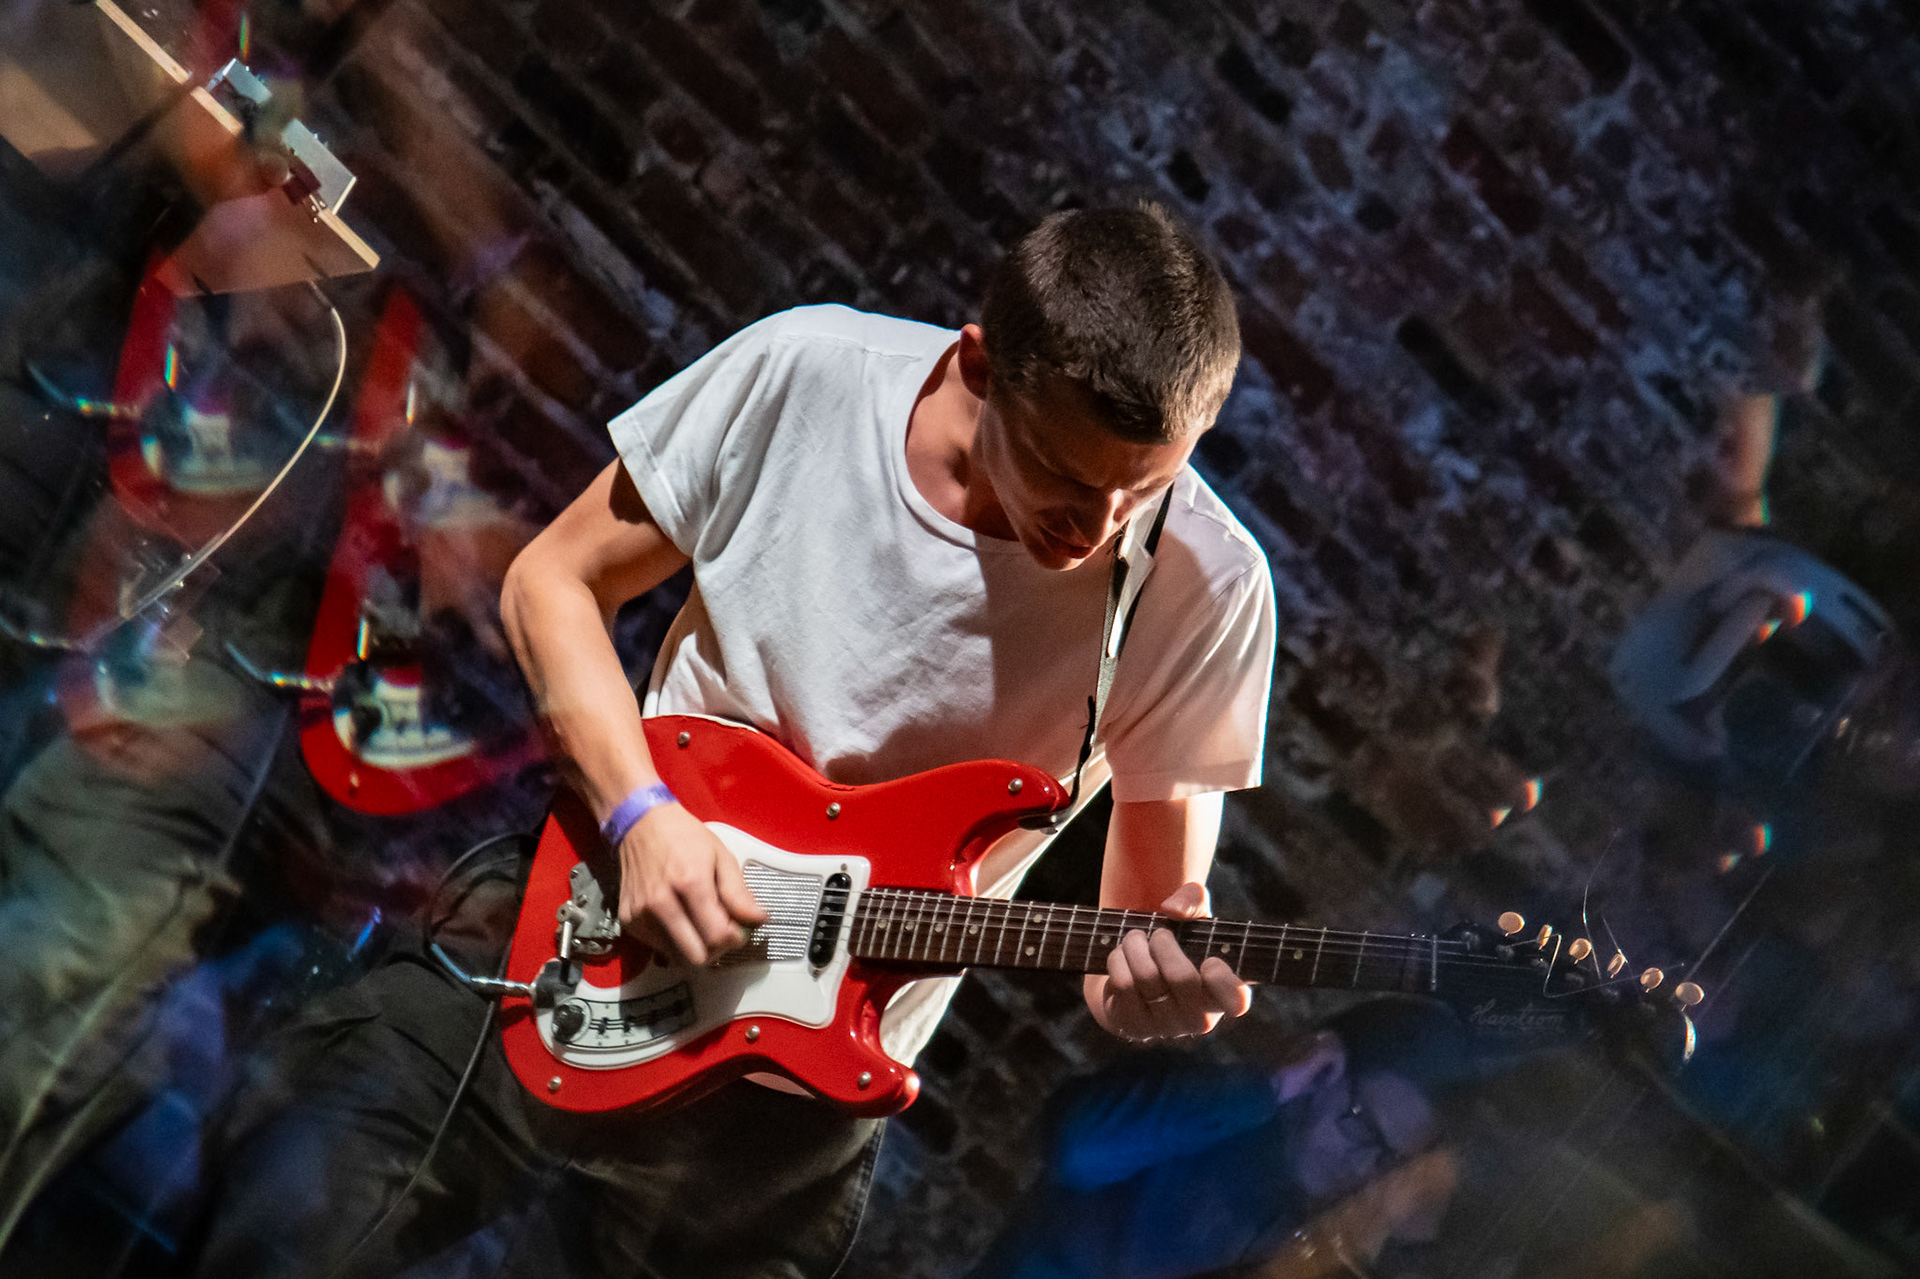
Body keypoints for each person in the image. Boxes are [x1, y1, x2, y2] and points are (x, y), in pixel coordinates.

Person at [184, 203, 1278, 1278]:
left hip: (786, 1104)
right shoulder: (812, 374)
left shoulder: (1210, 589)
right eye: (1065, 474)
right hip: (590, 919)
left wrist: (1149, 991)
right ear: (979, 366)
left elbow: (1140, 936)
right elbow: (553, 581)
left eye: (1144, 488)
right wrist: (641, 818)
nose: (1098, 526)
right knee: (289, 1204)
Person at [964, 998, 1467, 1279]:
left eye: (1387, 1160)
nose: (1363, 1167)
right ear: (1322, 1075)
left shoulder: (1306, 1235)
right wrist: (1270, 1085)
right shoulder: (1196, 1107)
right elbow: (1076, 1147)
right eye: (1363, 1127)